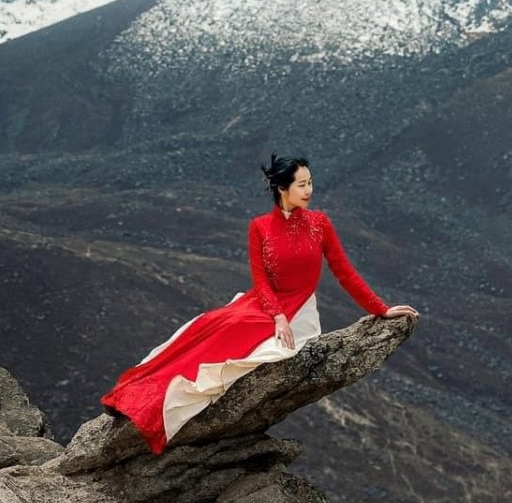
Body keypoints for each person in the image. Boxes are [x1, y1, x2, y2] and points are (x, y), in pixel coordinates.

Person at [99, 155, 419, 454]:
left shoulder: (320, 224)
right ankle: (139, 396)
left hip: (299, 310)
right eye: (302, 184)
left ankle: (155, 400)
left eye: (310, 183)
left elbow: (345, 272)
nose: (310, 190)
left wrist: (381, 309)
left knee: (236, 334)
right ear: (282, 188)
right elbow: (260, 280)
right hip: (265, 305)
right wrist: (277, 316)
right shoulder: (260, 227)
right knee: (214, 324)